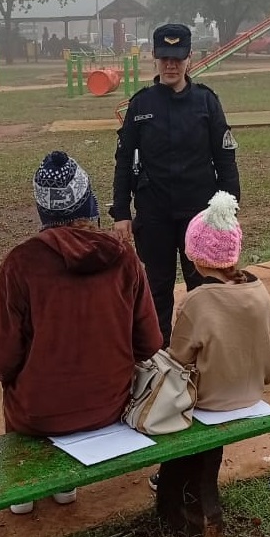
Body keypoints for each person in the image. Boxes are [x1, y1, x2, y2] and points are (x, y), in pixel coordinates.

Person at [0, 151, 163, 514]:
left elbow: (1, 357)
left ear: (43, 210)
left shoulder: (20, 263)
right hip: (110, 404)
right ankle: (66, 487)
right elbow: (150, 343)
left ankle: (24, 492)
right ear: (88, 201)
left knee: (22, 394)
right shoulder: (125, 257)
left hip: (38, 414)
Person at [111, 22, 240, 347]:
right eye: (165, 57)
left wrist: (228, 210)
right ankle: (160, 358)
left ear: (189, 59)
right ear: (154, 57)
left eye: (178, 58)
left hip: (200, 214)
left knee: (204, 287)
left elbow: (225, 159)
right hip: (154, 213)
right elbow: (124, 160)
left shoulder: (206, 102)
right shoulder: (141, 105)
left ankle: (205, 353)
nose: (171, 65)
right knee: (157, 288)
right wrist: (121, 212)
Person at [152, 191, 270, 492]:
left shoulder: (197, 301)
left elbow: (177, 358)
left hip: (209, 400)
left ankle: (172, 478)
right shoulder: (259, 291)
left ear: (195, 256)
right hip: (251, 390)